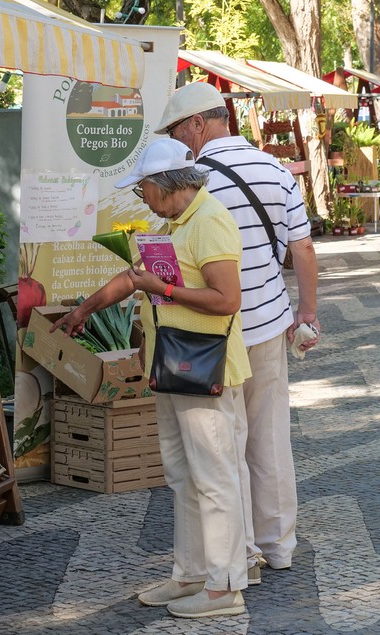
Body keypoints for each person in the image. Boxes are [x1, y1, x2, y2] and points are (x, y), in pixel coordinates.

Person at [50, 138, 251, 618]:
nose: (142, 198)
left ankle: (225, 588)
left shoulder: (210, 222)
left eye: (143, 190)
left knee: (214, 477)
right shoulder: (175, 225)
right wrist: (84, 310)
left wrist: (162, 288)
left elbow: (227, 300)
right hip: (173, 367)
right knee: (183, 476)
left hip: (206, 369)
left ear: (166, 185)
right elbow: (132, 278)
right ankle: (191, 574)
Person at [156, 82, 320, 578]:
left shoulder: (192, 181)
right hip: (269, 324)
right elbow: (303, 248)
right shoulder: (275, 168)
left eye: (178, 132)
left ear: (197, 125)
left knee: (223, 447)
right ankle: (280, 545)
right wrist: (306, 313)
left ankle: (241, 555)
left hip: (211, 332)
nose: (179, 143)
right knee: (269, 439)